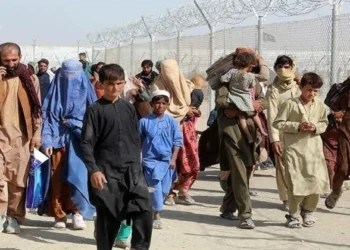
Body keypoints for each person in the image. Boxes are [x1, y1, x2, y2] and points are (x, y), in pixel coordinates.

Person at [81, 64, 152, 250]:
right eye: (110, 84)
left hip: (132, 170)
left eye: (119, 83)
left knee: (143, 208)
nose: (115, 88)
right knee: (108, 218)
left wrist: (138, 165)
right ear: (101, 84)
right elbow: (86, 143)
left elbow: (135, 139)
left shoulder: (128, 108)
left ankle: (140, 247)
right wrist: (94, 170)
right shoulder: (94, 110)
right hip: (106, 172)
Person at [215, 48, 269, 229]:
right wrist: (241, 106)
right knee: (238, 171)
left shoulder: (253, 81)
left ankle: (228, 207)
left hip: (251, 134)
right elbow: (221, 101)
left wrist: (247, 107)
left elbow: (264, 101)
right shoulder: (227, 80)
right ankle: (245, 215)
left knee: (244, 171)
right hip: (232, 132)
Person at [41, 59, 96, 229]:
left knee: (78, 175)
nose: (70, 79)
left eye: (74, 75)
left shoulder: (87, 91)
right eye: (67, 75)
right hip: (57, 140)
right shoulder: (54, 91)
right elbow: (47, 116)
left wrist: (75, 125)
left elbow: (94, 117)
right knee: (57, 177)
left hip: (79, 140)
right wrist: (47, 140)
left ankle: (77, 211)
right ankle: (59, 214)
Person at [273, 72, 329, 228]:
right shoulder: (290, 104)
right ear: (301, 87)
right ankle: (294, 214)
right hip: (294, 150)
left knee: (315, 181)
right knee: (295, 182)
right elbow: (278, 123)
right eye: (309, 89)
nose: (311, 94)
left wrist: (315, 127)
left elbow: (324, 123)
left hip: (314, 150)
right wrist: (297, 126)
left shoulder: (320, 104)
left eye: (315, 91)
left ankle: (308, 211)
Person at [0, 42, 42, 234]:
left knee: (18, 181)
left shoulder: (29, 79)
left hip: (22, 137)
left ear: (20, 58)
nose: (10, 64)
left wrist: (37, 134)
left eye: (14, 60)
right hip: (1, 136)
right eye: (6, 60)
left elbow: (37, 109)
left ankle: (14, 216)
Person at [152, 59, 200, 205]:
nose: (171, 76)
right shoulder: (157, 86)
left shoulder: (185, 84)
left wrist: (189, 110)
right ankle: (168, 193)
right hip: (166, 129)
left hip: (186, 128)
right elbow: (161, 108)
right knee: (169, 162)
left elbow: (187, 103)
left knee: (191, 161)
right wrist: (186, 110)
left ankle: (184, 191)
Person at [140, 90, 183, 229]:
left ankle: (153, 207)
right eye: (157, 103)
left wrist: (173, 159)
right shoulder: (144, 122)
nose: (160, 106)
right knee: (155, 189)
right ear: (152, 104)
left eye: (164, 103)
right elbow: (137, 142)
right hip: (149, 162)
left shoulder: (171, 122)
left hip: (167, 162)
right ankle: (156, 215)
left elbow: (177, 141)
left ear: (167, 105)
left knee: (164, 190)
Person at [266, 55, 300, 211]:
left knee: (300, 166)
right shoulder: (273, 89)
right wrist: (274, 139)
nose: (283, 70)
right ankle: (286, 198)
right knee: (283, 167)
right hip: (281, 133)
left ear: (292, 67)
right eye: (279, 67)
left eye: (286, 67)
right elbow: (272, 115)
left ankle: (300, 196)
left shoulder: (299, 86)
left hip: (300, 132)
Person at [220, 52, 267, 143]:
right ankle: (262, 130)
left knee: (242, 117)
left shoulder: (232, 72)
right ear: (250, 66)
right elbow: (252, 85)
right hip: (246, 99)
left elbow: (223, 79)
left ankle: (248, 135)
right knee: (254, 114)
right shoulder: (250, 76)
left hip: (235, 98)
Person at [325, 78, 350, 209]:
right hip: (345, 134)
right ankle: (335, 192)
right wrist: (337, 113)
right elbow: (331, 104)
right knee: (343, 168)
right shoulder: (341, 89)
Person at [321, 111, 344, 197]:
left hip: (342, 146)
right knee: (330, 167)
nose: (334, 112)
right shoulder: (328, 118)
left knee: (341, 168)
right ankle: (332, 189)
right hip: (328, 145)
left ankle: (338, 186)